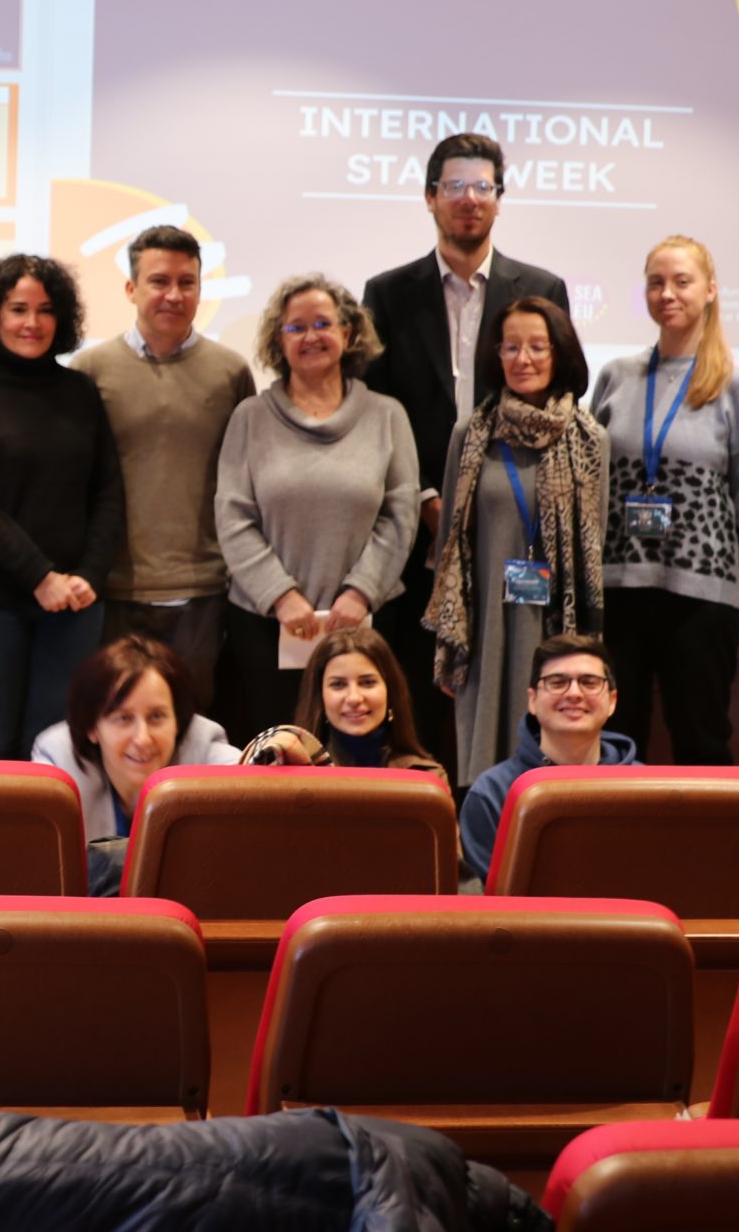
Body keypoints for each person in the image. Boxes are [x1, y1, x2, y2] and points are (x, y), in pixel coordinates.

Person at [363, 133, 573, 768]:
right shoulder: (388, 293)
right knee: (417, 699)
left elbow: (554, 404)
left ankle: (504, 812)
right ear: (430, 197)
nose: (469, 199)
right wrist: (430, 499)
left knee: (507, 692)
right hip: (413, 531)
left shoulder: (540, 287)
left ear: (499, 200)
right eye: (454, 186)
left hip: (511, 528)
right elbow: (378, 412)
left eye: (482, 187)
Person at [586, 236, 739, 766]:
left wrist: (726, 567)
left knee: (701, 736)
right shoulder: (616, 375)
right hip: (619, 586)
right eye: (656, 282)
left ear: (710, 290)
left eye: (681, 282)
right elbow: (592, 477)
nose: (667, 294)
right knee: (616, 739)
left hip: (701, 595)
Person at [215, 275, 420, 746]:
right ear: (278, 340)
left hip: (364, 621)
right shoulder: (250, 417)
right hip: (266, 625)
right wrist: (281, 596)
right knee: (277, 750)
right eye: (296, 327)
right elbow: (233, 517)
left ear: (348, 332)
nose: (311, 336)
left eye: (323, 324)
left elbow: (401, 513)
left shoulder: (387, 415)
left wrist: (361, 592)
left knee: (360, 750)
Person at [0, 254, 124, 758]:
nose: (33, 323)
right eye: (18, 309)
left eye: (45, 310)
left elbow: (108, 492)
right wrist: (40, 576)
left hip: (74, 606)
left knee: (60, 746)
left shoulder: (81, 392)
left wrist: (89, 575)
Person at [426, 296, 610, 788]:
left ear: (559, 352)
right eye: (511, 347)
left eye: (536, 347)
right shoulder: (471, 434)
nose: (522, 359)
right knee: (485, 757)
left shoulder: (590, 439)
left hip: (556, 624)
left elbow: (594, 551)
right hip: (484, 623)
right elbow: (450, 546)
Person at [75, 225, 258, 713]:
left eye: (187, 282)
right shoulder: (89, 370)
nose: (174, 295)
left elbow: (248, 480)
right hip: (110, 588)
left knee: (190, 725)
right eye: (159, 281)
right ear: (131, 289)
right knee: (115, 720)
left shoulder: (231, 372)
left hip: (202, 589)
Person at [29, 635, 242, 896]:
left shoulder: (202, 744)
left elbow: (254, 770)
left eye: (157, 717)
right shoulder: (59, 761)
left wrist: (280, 743)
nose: (142, 739)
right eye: (123, 718)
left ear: (178, 721)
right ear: (91, 727)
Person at [458, 634, 641, 885]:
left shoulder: (647, 787)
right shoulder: (491, 793)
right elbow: (491, 899)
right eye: (557, 682)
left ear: (612, 701)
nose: (574, 693)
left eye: (589, 682)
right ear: (532, 700)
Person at [246, 627, 448, 780]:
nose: (354, 698)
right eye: (338, 684)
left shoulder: (426, 776)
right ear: (320, 698)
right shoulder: (287, 774)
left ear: (390, 692)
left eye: (367, 682)